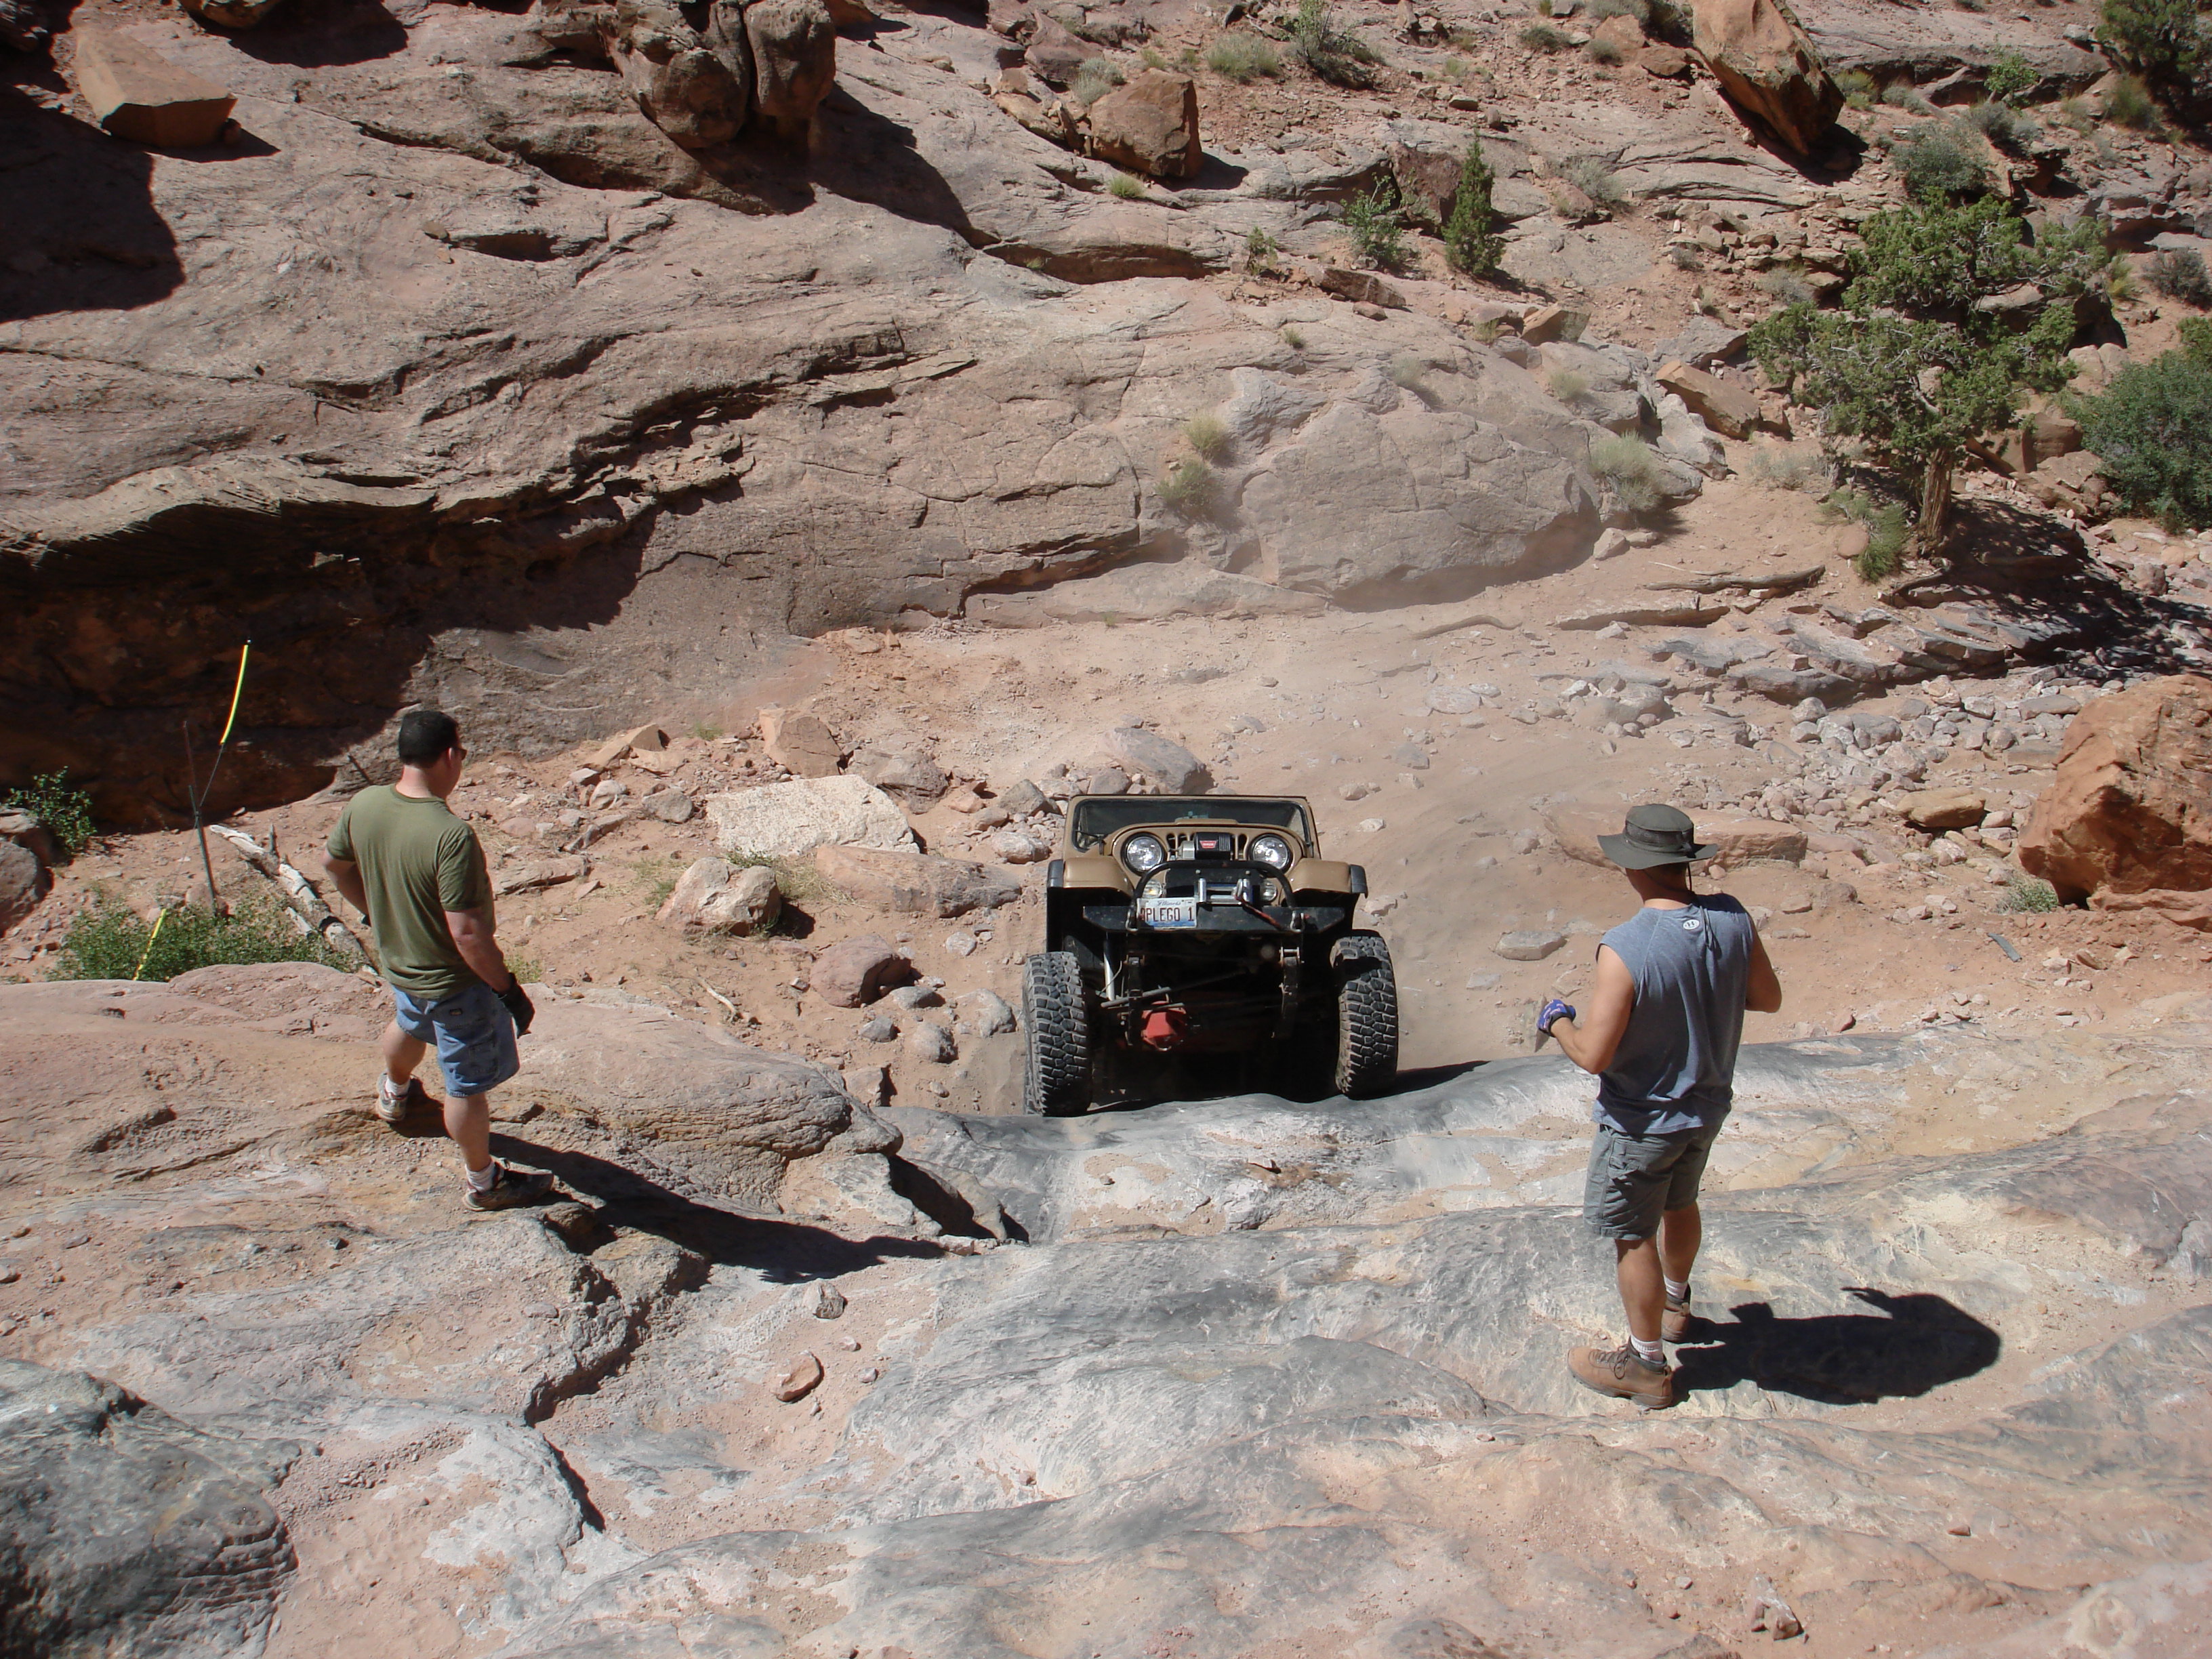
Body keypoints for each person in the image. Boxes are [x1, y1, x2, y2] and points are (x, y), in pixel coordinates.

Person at [1536, 803, 1782, 1410]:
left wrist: (1558, 1021)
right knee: (1681, 1200)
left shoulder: (1626, 947)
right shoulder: (1732, 918)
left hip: (1642, 1121)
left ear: (1633, 867)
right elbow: (1767, 998)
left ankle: (1645, 1366)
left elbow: (1594, 1055)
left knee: (1632, 1234)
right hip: (1707, 1108)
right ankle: (1675, 1305)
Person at [323, 709, 553, 1212]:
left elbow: (333, 866)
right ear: (450, 756)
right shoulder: (451, 835)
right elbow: (467, 934)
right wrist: (508, 990)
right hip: (453, 983)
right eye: (462, 754)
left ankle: (395, 1093)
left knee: (408, 1022)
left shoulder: (364, 804)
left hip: (401, 964)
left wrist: (376, 914)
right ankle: (484, 1182)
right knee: (465, 1088)